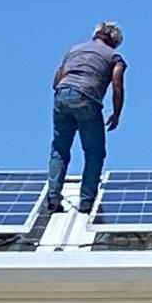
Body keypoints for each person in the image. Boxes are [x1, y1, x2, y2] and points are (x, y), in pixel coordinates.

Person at [46, 22, 127, 214]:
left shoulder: (74, 50)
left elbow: (56, 79)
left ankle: (53, 197)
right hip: (87, 98)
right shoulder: (114, 57)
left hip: (62, 95)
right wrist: (116, 113)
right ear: (114, 42)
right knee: (94, 151)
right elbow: (117, 84)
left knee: (60, 147)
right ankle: (86, 201)